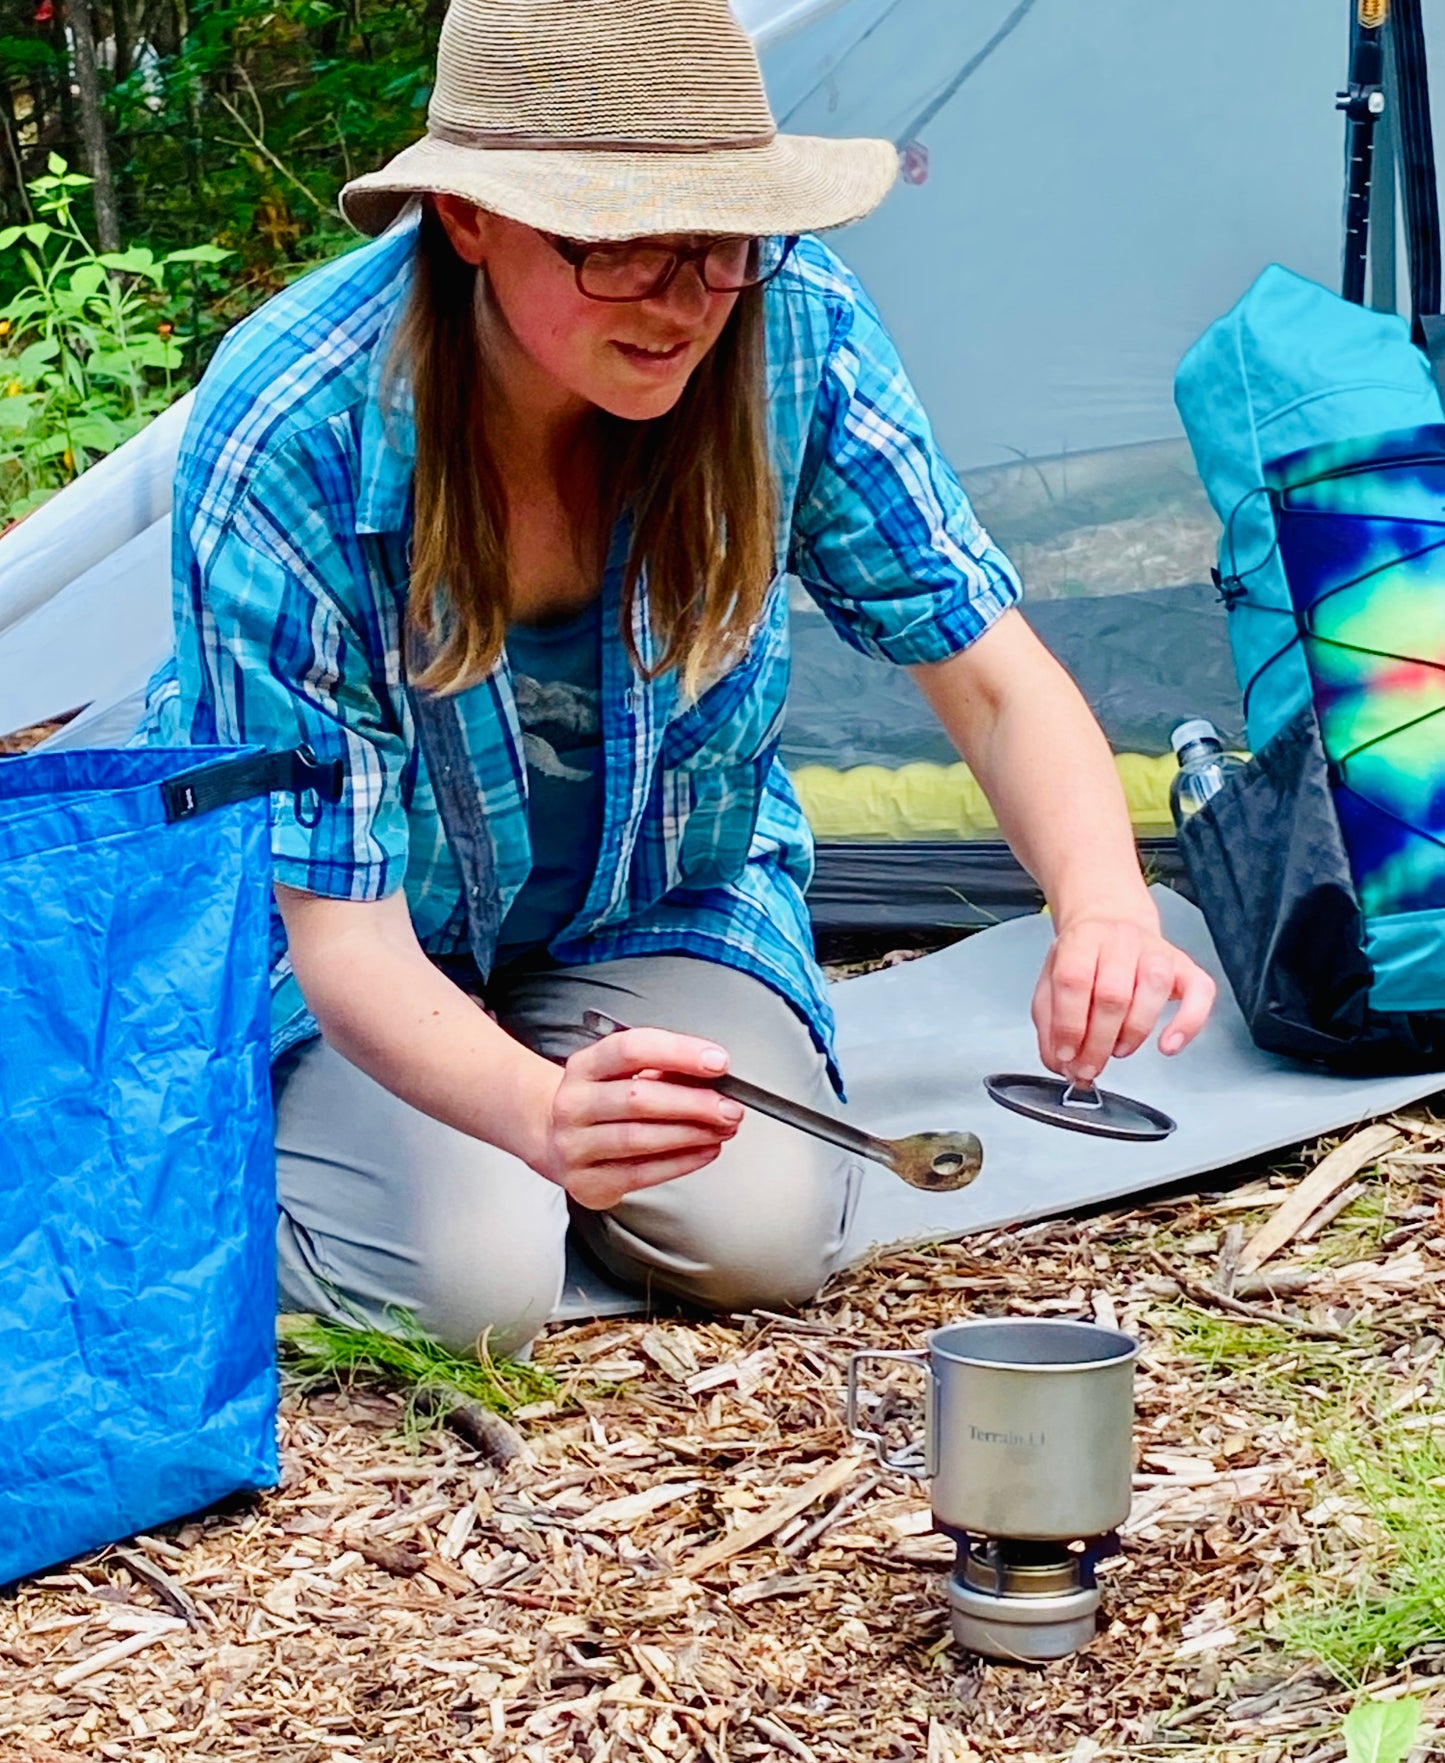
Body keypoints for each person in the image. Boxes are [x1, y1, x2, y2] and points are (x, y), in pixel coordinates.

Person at [155, 0, 1215, 1358]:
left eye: (721, 235)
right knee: (472, 1286)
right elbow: (341, 933)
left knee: (754, 1235)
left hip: (647, 898)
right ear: (469, 223)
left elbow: (989, 672)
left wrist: (1104, 905)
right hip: (350, 931)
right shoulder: (295, 429)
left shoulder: (787, 328)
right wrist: (540, 1115)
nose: (683, 296)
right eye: (620, 245)